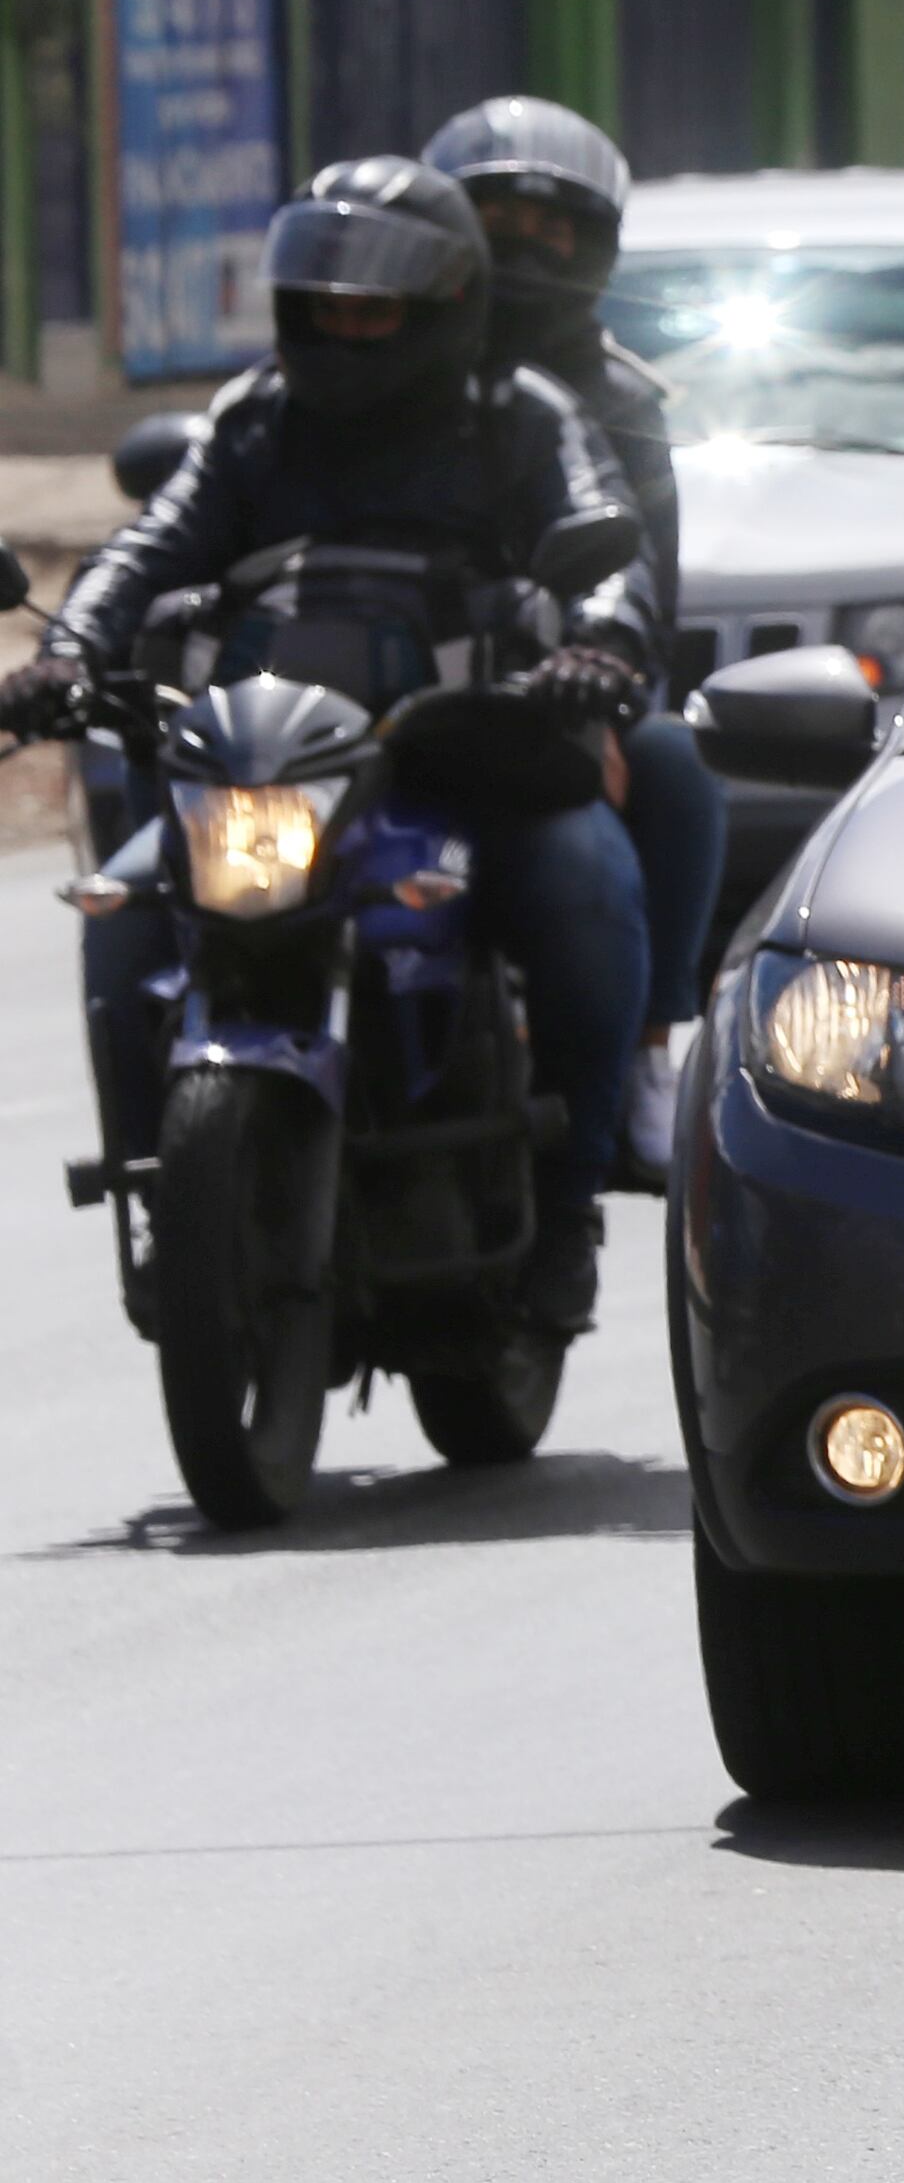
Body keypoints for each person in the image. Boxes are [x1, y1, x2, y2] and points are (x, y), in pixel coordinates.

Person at [0, 161, 661, 1331]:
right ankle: (170, 1197)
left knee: (586, 883)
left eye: (376, 311)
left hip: (469, 755)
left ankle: (566, 1210)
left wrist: (601, 644)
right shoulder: (256, 419)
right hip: (277, 764)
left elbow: (606, 546)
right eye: (325, 307)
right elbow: (149, 545)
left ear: (445, 306)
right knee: (125, 908)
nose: (346, 332)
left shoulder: (522, 417)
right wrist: (69, 654)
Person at [426, 94, 723, 1176]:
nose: (523, 251)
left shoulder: (616, 406)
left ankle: (642, 1054)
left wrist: (597, 669)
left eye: (555, 231)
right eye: (495, 221)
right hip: (385, 683)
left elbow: (643, 577)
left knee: (672, 764)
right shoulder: (381, 373)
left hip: (558, 686)